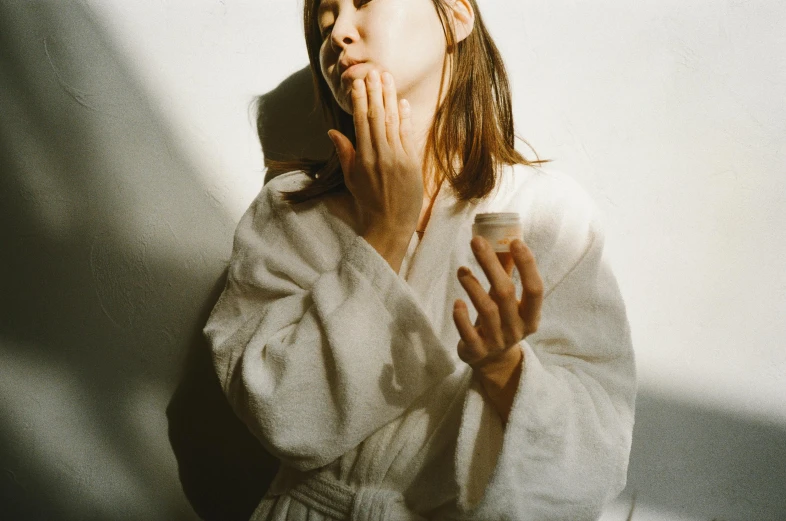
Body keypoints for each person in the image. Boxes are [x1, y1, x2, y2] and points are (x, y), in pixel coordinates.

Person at [203, 0, 636, 519]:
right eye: (325, 21)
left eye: (362, 2)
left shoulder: (548, 216)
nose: (338, 32)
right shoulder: (290, 210)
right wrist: (386, 229)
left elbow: (600, 448)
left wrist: (504, 368)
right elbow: (281, 415)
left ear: (455, 13)